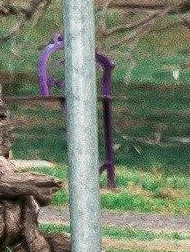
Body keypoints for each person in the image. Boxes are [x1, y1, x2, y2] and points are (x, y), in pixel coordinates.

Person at [33, 27, 125, 183]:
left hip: (82, 93)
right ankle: (86, 168)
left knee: (88, 127)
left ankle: (97, 168)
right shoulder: (56, 53)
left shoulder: (84, 56)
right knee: (77, 126)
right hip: (71, 93)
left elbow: (106, 65)